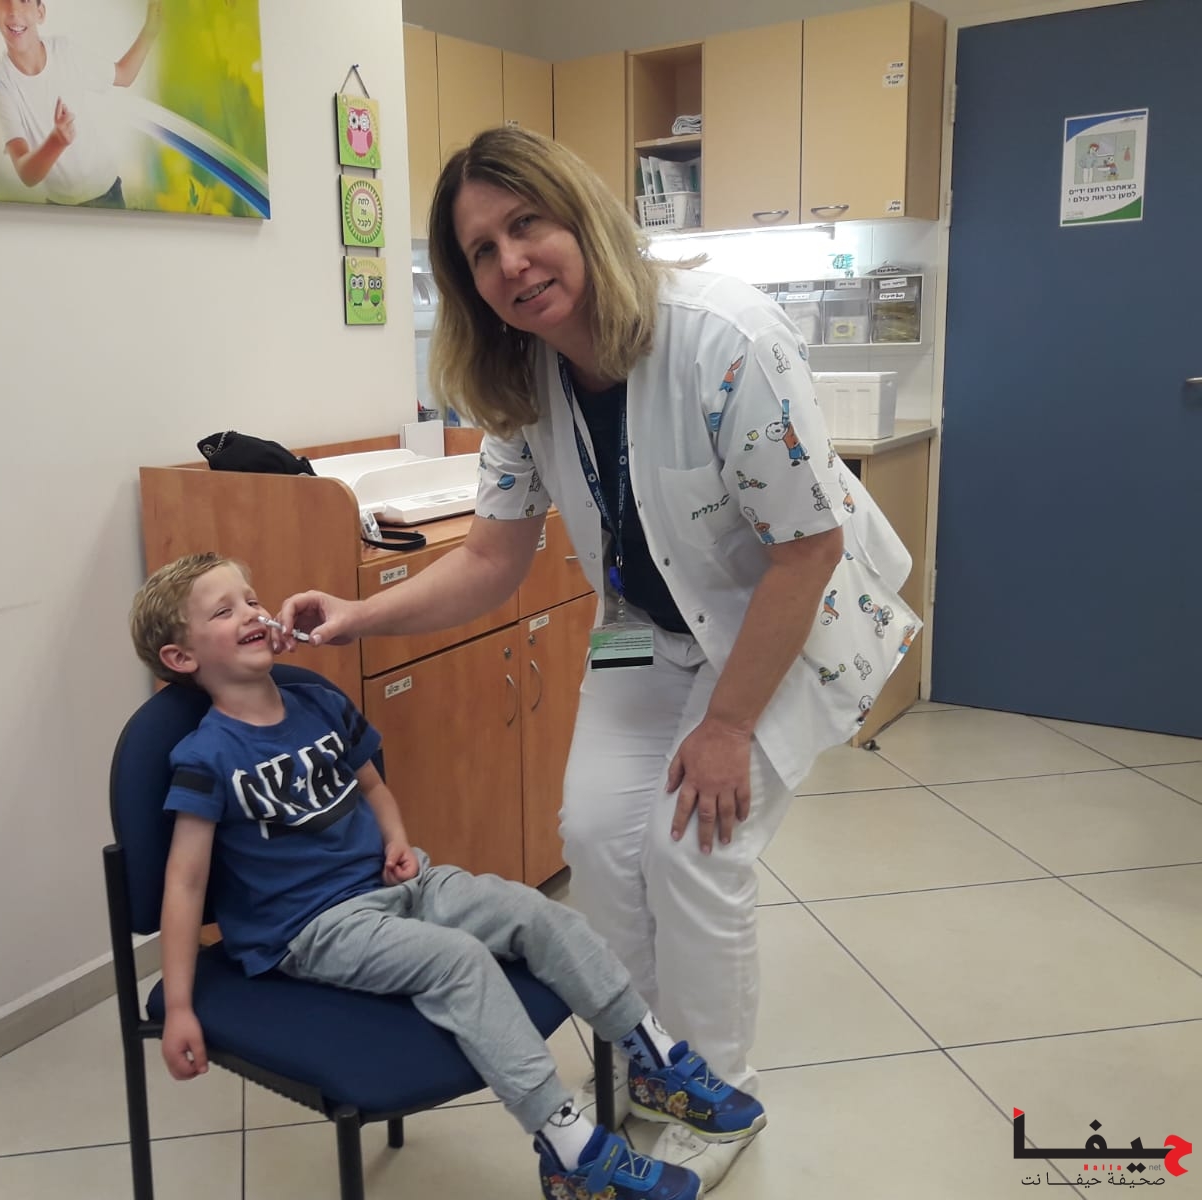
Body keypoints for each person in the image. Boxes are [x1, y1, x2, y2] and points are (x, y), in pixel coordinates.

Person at [273, 127, 921, 1188]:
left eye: (525, 224)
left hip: (775, 621)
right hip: (642, 629)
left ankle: (719, 1091)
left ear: (579, 215)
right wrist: (358, 613)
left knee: (693, 846)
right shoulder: (520, 378)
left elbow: (806, 550)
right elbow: (491, 558)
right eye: (480, 251)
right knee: (592, 836)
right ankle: (653, 1061)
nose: (511, 262)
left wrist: (726, 727)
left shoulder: (723, 337)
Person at [131, 552, 771, 1200]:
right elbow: (184, 884)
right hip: (315, 926)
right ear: (181, 658)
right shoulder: (206, 756)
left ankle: (654, 1058)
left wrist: (396, 839)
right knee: (460, 962)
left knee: (536, 913)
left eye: (250, 598)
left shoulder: (316, 702)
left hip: (397, 884)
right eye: (224, 611)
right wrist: (180, 1006)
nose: (250, 612)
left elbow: (372, 787)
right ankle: (569, 1152)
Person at [0, 0, 162, 207]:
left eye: (25, 0)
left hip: (107, 194)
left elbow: (124, 75)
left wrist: (150, 31)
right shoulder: (1, 82)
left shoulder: (64, 51)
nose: (13, 10)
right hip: (60, 206)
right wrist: (57, 140)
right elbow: (26, 174)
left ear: (40, 12)